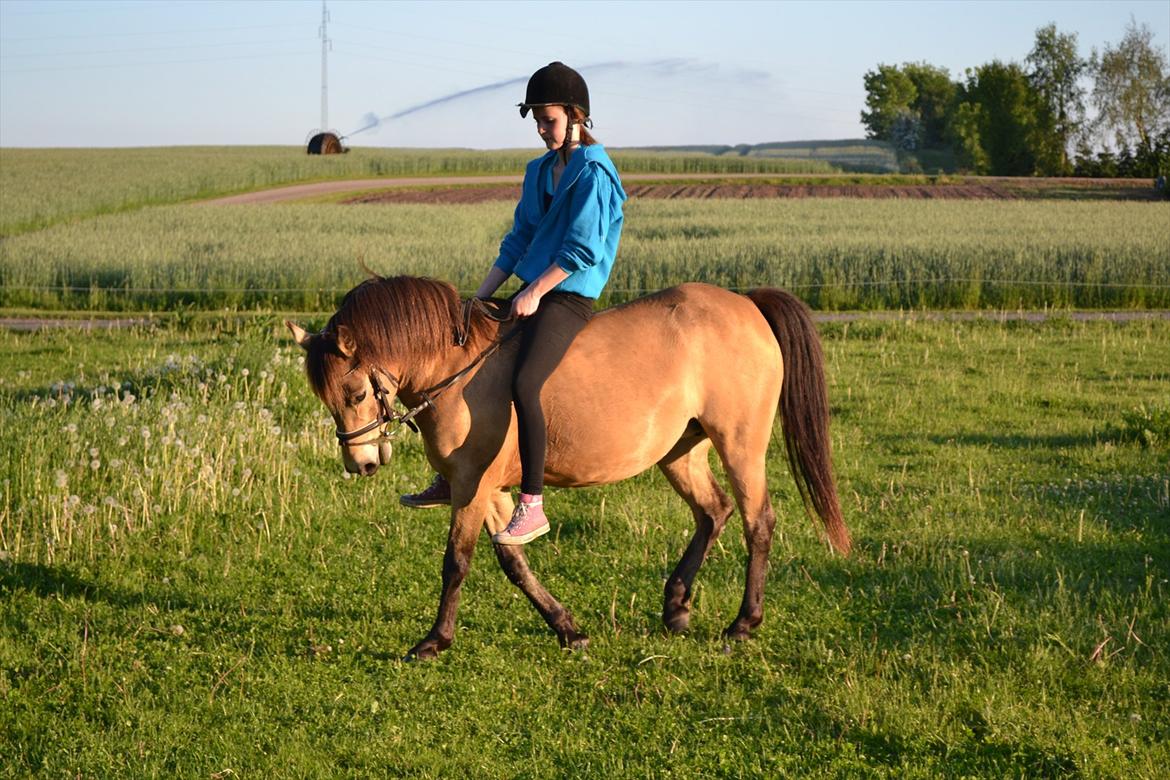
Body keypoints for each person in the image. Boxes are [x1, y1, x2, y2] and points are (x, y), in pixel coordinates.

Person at [399, 62, 627, 546]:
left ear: (576, 115)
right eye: (538, 122)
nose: (543, 130)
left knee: (525, 383)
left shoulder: (595, 174)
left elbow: (581, 250)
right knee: (469, 361)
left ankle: (532, 504)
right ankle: (458, 468)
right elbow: (518, 239)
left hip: (568, 296)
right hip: (533, 289)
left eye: (549, 120)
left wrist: (534, 292)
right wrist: (479, 298)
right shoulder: (540, 171)